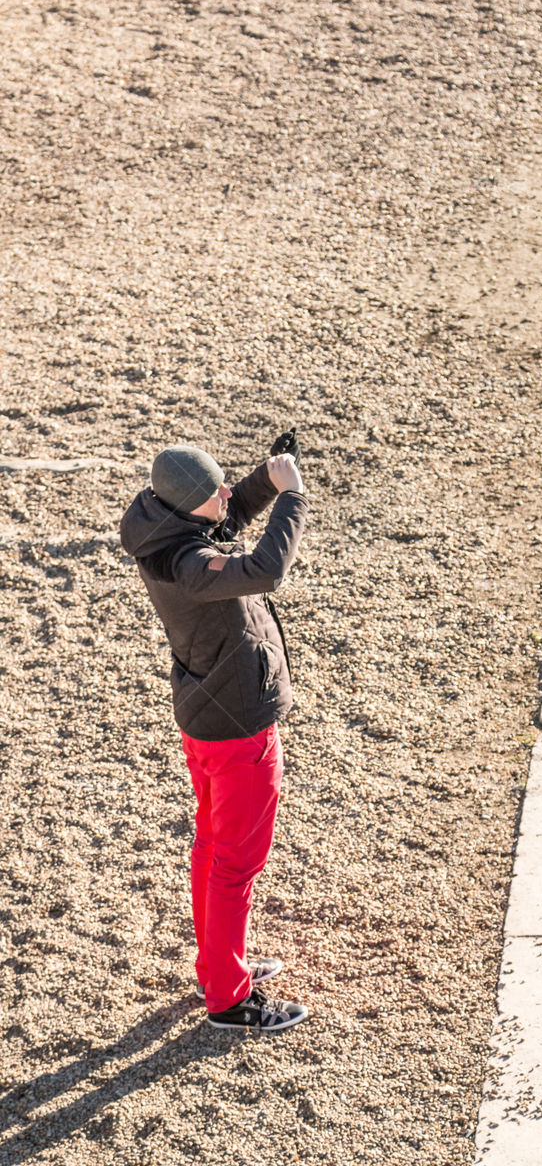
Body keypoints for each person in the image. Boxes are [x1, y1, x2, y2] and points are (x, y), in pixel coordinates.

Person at [119, 440, 309, 1032]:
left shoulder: (167, 527)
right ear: (188, 509)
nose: (226, 497)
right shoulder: (190, 565)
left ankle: (217, 966)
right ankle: (229, 998)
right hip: (237, 728)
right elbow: (266, 570)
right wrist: (293, 499)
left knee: (212, 850)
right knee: (235, 865)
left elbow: (227, 513)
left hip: (207, 716)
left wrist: (265, 481)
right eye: (215, 492)